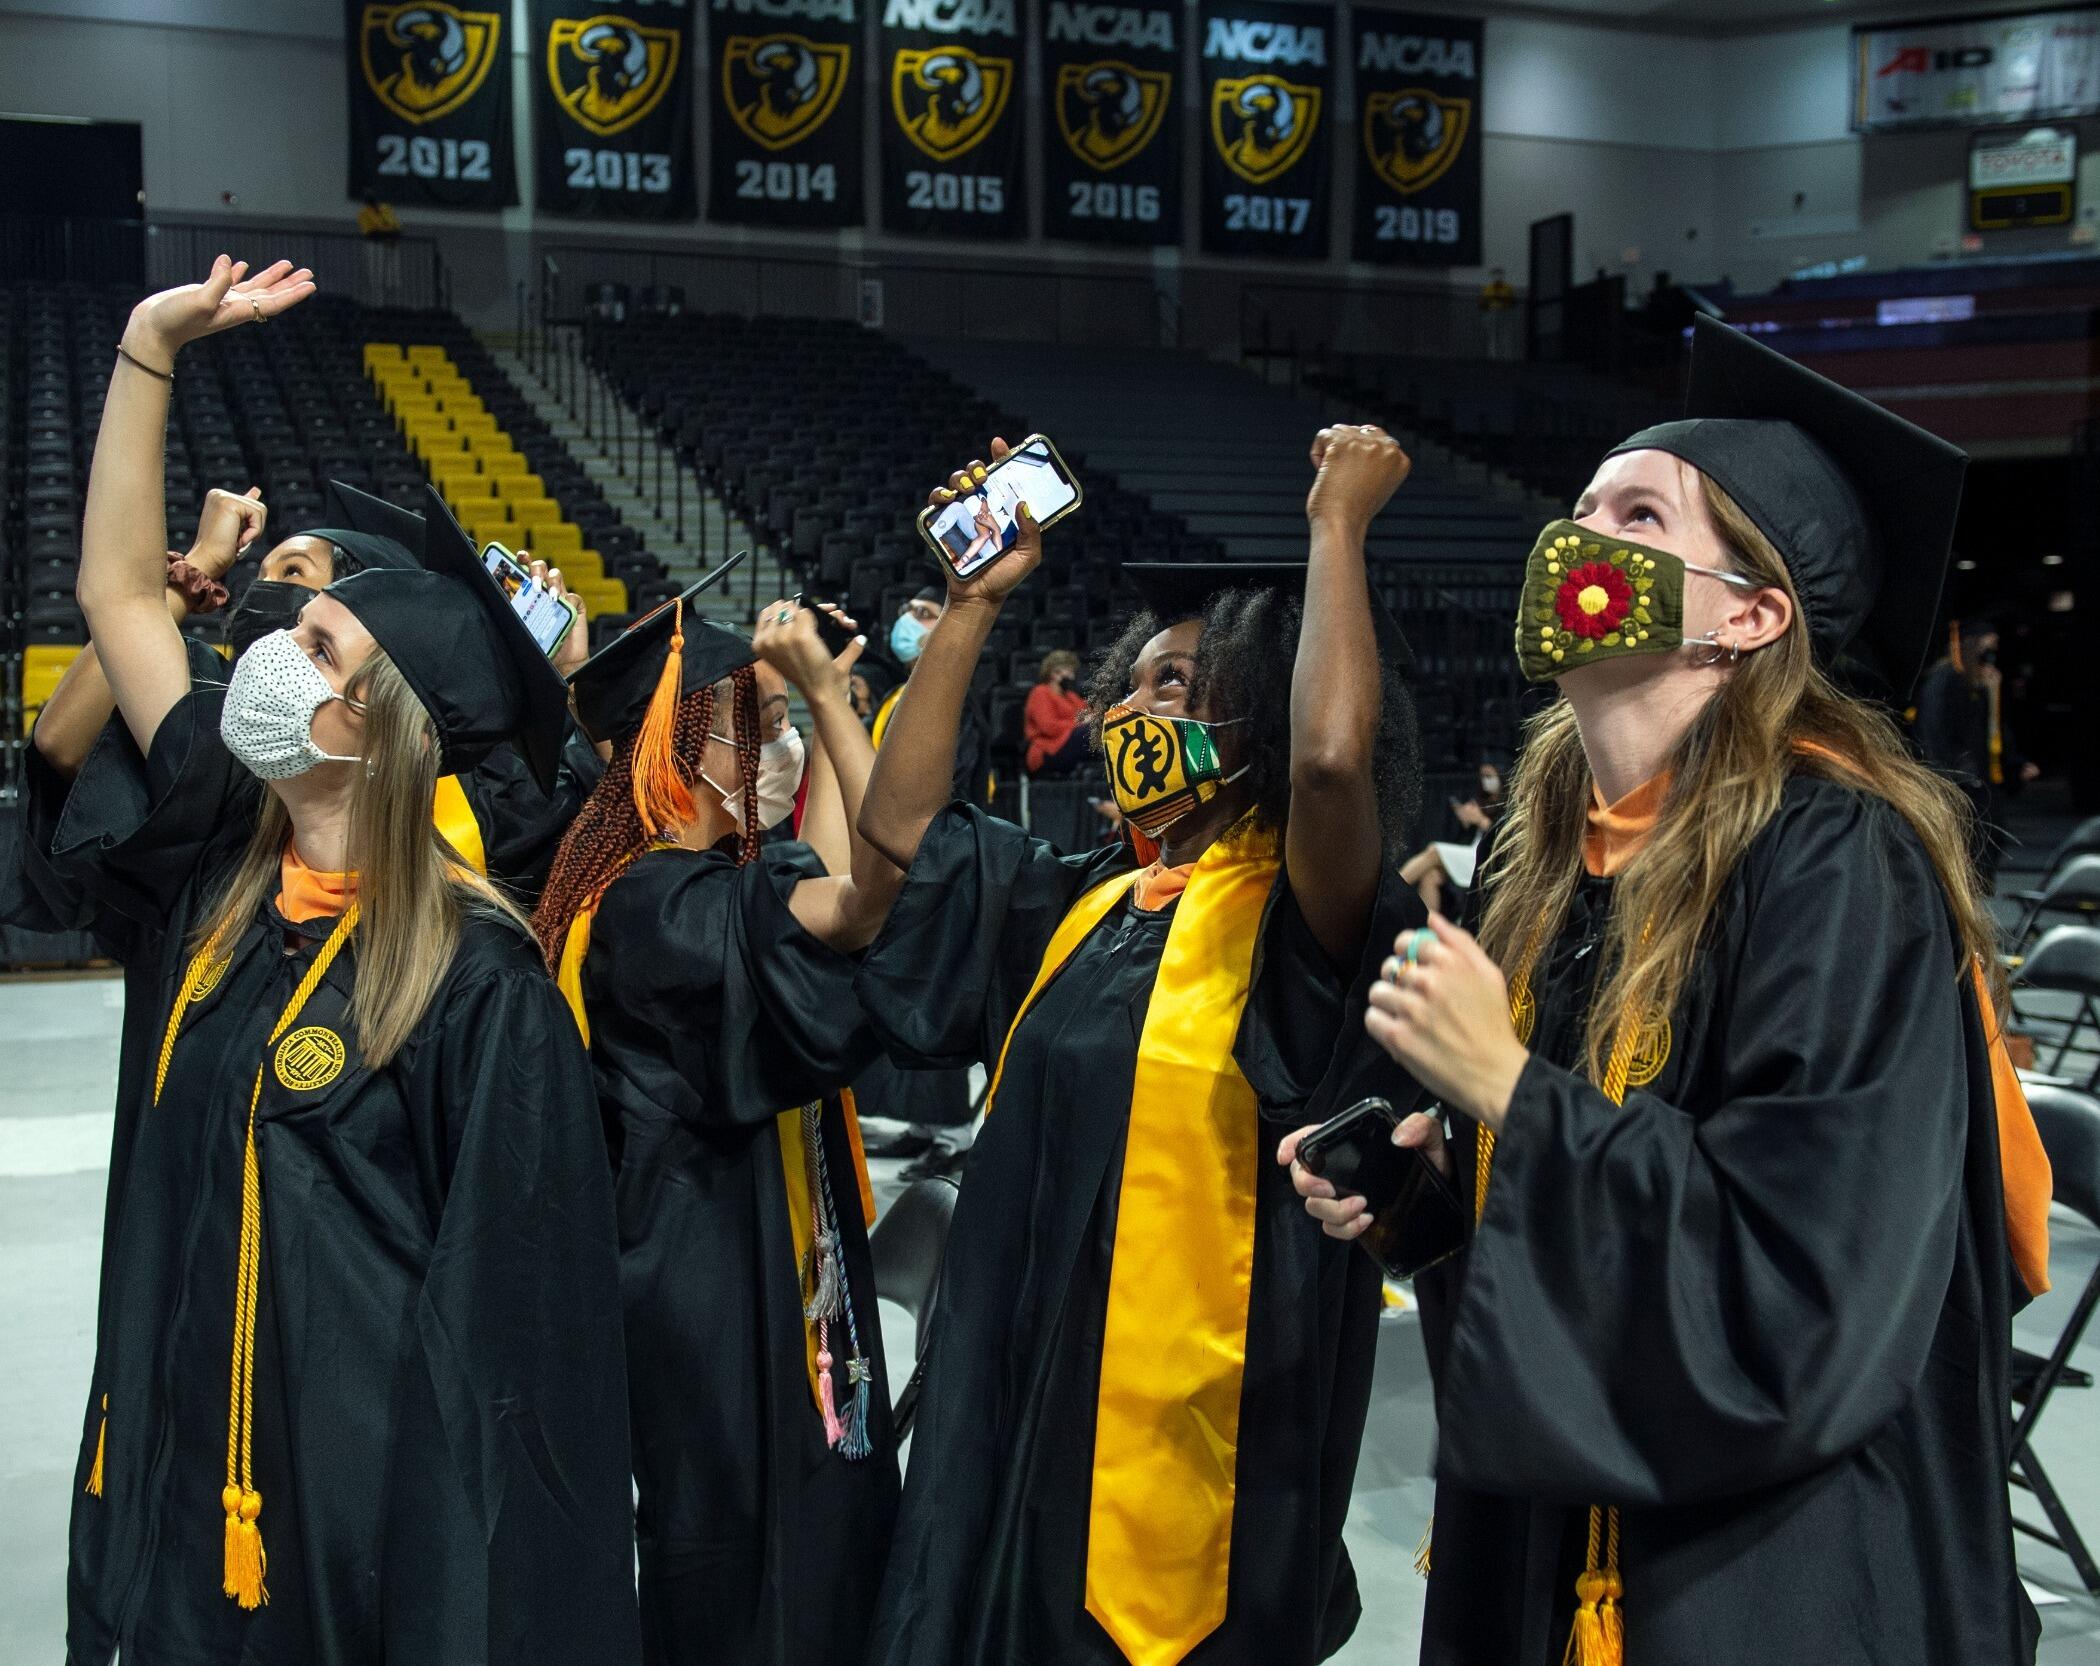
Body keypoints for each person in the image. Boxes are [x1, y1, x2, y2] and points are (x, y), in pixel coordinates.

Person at [1290, 316, 2054, 1666]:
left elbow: (1805, 1277)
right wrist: (1430, 1203)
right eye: (1578, 506)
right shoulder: (1549, 864)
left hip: (1772, 1570)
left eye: (1636, 514)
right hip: (1554, 1529)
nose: (1574, 540)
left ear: (1753, 614)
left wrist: (1511, 1092)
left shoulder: (1836, 857)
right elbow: (1578, 1225)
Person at [38, 256, 640, 1665]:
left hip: (356, 1543)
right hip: (196, 1496)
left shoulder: (475, 986)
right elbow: (121, 593)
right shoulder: (229, 881)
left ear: (375, 720)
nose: (268, 649)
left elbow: (512, 1366)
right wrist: (148, 345)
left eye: (313, 639)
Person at [855, 428, 1424, 1666]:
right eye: (1139, 680)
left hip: (1195, 1452)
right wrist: (967, 606)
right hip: (1017, 1411)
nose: (1138, 707)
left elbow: (1331, 767)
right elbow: (897, 825)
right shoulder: (1088, 901)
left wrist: (1337, 532)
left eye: (1183, 683)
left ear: (1262, 708)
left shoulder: (1304, 920)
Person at [530, 588, 903, 1666]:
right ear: (680, 748)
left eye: (787, 723)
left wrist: (829, 719)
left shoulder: (656, 879)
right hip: (708, 1299)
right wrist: (837, 712)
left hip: (745, 1277)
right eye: (766, 726)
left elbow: (810, 909)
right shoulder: (653, 903)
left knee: (802, 1540)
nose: (781, 749)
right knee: (745, 1571)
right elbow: (843, 919)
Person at [29, 477, 597, 900]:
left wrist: (567, 681)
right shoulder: (227, 725)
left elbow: (603, 843)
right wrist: (194, 570)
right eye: (263, 572)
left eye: (293, 573)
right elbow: (63, 740)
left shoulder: (476, 779)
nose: (260, 588)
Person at [853, 584, 983, 1169]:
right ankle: (921, 1124)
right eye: (908, 609)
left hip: (935, 866)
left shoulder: (953, 698)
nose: (910, 619)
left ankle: (953, 1137)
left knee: (938, 996)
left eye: (926, 613)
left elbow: (945, 789)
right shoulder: (901, 696)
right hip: (897, 869)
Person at [1913, 615, 2039, 884]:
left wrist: (2014, 763)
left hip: (1977, 786)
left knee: (1988, 845)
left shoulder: (1979, 685)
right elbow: (1933, 737)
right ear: (1969, 647)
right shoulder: (1944, 682)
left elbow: (1993, 734)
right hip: (1958, 786)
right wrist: (1951, 779)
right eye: (1985, 651)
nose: (1989, 660)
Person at [1024, 647, 1089, 775]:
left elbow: (1089, 713)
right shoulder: (1040, 692)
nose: (1072, 676)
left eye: (1073, 672)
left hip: (1069, 746)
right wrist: (1079, 722)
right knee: (1089, 732)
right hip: (1048, 750)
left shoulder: (1070, 696)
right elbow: (1048, 727)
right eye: (1069, 672)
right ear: (1054, 673)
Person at [1478, 267, 1518, 361]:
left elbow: (1513, 302)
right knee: (1492, 336)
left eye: (1499, 274)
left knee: (1506, 336)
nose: (1498, 277)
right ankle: (1493, 357)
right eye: (1495, 275)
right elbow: (1482, 303)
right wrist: (1490, 303)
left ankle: (1507, 358)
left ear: (1503, 276)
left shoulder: (1508, 288)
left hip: (1505, 313)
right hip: (1492, 313)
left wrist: (1503, 301)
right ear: (1492, 276)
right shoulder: (1487, 288)